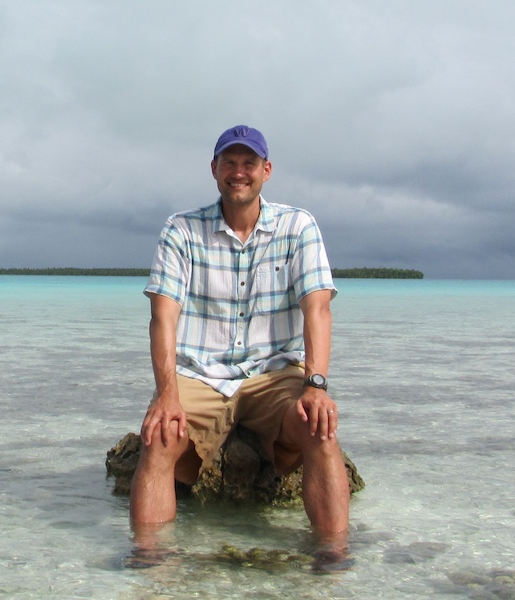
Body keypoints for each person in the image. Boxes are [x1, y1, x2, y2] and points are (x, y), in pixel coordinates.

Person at [129, 125, 350, 560]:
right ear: (214, 169)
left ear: (266, 170)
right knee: (158, 437)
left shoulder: (297, 226)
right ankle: (151, 565)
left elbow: (318, 310)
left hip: (275, 373)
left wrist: (316, 386)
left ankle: (333, 559)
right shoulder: (182, 230)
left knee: (318, 428)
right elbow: (162, 316)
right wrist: (167, 394)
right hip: (200, 373)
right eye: (229, 162)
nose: (238, 172)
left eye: (248, 163)